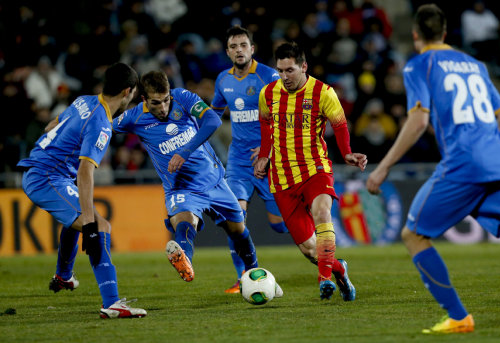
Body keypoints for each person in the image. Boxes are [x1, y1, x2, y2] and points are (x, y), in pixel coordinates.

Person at [366, 4, 500, 334]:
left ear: (416, 34)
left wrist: (383, 168)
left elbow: (418, 120)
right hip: (499, 162)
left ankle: (458, 316)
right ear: (446, 33)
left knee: (414, 235)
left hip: (465, 162)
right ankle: (457, 317)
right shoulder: (474, 64)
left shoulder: (419, 65)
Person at [17, 62, 147, 319]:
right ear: (127, 92)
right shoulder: (101, 122)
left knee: (75, 220)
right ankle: (112, 303)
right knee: (100, 227)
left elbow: (50, 126)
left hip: (45, 171)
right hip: (47, 178)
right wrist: (90, 223)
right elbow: (85, 172)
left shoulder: (84, 100)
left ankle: (64, 276)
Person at [113, 70, 261, 286]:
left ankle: (254, 274)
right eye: (156, 103)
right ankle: (185, 262)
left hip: (214, 180)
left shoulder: (182, 97)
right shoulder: (134, 117)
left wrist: (185, 150)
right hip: (182, 188)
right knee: (185, 220)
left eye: (166, 100)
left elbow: (212, 120)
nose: (163, 108)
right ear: (144, 99)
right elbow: (103, 129)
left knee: (239, 231)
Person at [254, 42, 367, 301]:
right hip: (282, 177)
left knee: (322, 212)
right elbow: (265, 124)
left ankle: (324, 278)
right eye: (280, 71)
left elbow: (339, 125)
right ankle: (338, 269)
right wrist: (263, 156)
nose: (285, 77)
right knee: (309, 250)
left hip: (315, 168)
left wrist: (347, 152)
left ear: (304, 66)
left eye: (290, 70)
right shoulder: (267, 93)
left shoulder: (323, 92)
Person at [211, 25, 289, 294]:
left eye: (243, 45)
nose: (239, 50)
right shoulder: (223, 80)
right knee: (235, 219)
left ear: (252, 49)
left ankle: (320, 235)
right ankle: (243, 276)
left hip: (270, 159)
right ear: (228, 52)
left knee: (280, 226)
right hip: (239, 161)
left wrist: (270, 148)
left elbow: (286, 114)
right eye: (233, 46)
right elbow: (214, 114)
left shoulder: (269, 76)